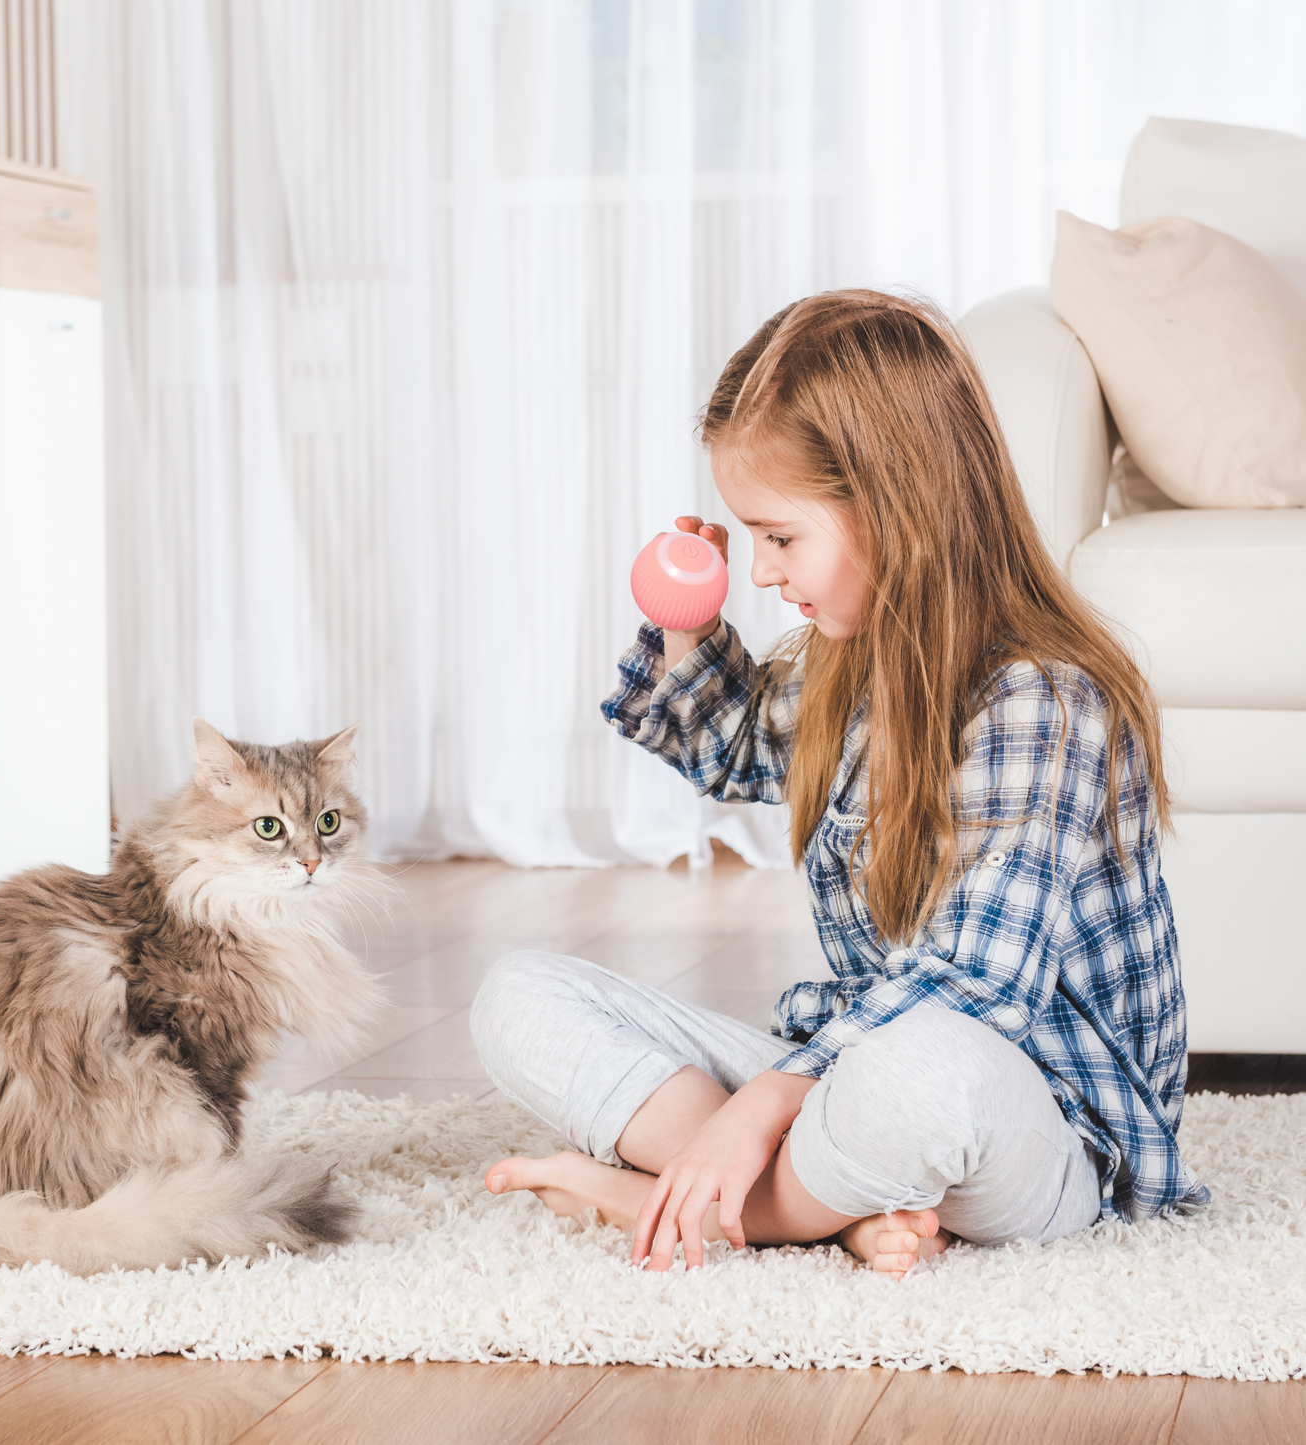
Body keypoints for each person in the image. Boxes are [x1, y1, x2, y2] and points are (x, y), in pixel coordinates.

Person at [470, 289, 1207, 1281]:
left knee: (924, 1073)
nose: (763, 570)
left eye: (779, 536)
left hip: (1034, 1120)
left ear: (894, 504)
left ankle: (681, 1195)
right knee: (517, 995)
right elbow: (727, 742)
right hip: (842, 1073)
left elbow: (978, 986)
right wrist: (685, 625)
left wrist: (762, 1100)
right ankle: (831, 1204)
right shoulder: (835, 665)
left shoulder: (1043, 699)